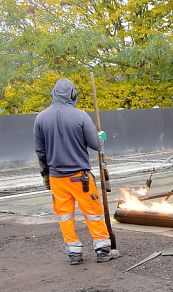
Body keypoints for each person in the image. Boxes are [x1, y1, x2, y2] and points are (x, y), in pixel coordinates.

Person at [34, 77, 117, 265]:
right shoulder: (80, 116)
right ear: (73, 95)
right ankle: (103, 250)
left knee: (65, 216)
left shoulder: (40, 118)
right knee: (93, 212)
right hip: (81, 178)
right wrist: (101, 137)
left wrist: (45, 174)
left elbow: (40, 151)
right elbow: (96, 145)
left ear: (53, 94)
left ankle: (74, 253)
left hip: (56, 178)